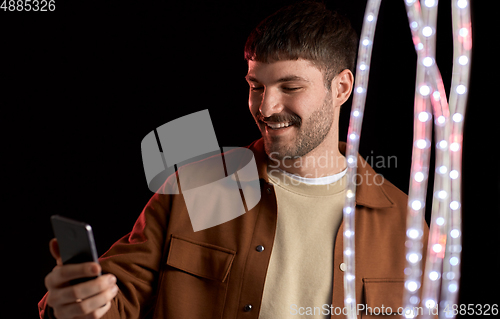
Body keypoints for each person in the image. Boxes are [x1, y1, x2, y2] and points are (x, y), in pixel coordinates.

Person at [39, 1, 430, 318]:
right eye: (255, 86)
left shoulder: (404, 223)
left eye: (290, 86)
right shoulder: (198, 187)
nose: (266, 106)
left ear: (342, 87)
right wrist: (77, 302)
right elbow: (115, 297)